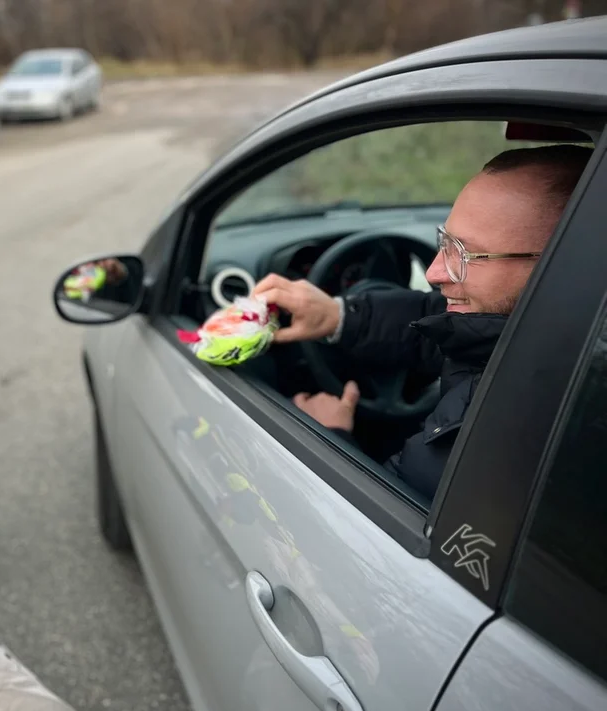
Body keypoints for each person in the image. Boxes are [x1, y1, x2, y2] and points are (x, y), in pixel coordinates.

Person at [253, 144, 593, 502]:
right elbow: (453, 331)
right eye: (444, 242)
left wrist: (327, 435)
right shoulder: (553, 333)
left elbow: (373, 529)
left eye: (463, 253)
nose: (433, 272)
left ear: (559, 267)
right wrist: (339, 317)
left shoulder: (492, 445)